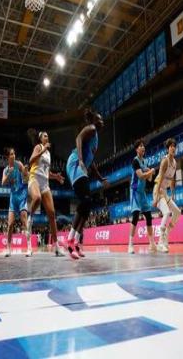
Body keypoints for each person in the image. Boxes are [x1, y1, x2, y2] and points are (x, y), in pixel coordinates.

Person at [66, 109, 108, 260]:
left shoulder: (96, 138)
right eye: (99, 119)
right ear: (93, 121)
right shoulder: (91, 128)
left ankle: (76, 242)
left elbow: (92, 162)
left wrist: (101, 178)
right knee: (85, 201)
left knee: (87, 205)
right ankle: (70, 242)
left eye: (102, 120)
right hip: (75, 163)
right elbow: (78, 138)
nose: (101, 122)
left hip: (82, 165)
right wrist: (80, 160)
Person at [27, 129, 65, 257]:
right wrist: (42, 150)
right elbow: (31, 161)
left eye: (48, 136)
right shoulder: (38, 147)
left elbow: (47, 171)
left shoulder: (48, 153)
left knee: (52, 214)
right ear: (40, 138)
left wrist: (56, 177)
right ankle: (30, 216)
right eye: (45, 136)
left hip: (44, 183)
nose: (47, 137)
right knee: (37, 198)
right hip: (34, 178)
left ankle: (57, 247)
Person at [153, 138, 181, 253]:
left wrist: (172, 194)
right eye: (171, 146)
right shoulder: (165, 161)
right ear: (168, 149)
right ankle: (160, 242)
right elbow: (160, 179)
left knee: (177, 212)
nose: (173, 148)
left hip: (165, 192)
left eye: (174, 146)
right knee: (166, 212)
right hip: (158, 189)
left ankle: (167, 233)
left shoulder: (175, 163)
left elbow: (172, 179)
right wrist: (156, 198)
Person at [128, 139, 156, 254]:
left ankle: (152, 243)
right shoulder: (135, 161)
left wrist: (150, 173)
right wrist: (151, 171)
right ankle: (130, 244)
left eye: (143, 146)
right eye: (140, 146)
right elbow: (140, 176)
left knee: (149, 216)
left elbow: (149, 179)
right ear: (136, 149)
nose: (143, 147)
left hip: (142, 192)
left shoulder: (145, 161)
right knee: (135, 216)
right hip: (135, 191)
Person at [2, 147, 30, 257]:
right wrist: (9, 175)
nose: (13, 156)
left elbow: (26, 176)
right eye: (11, 154)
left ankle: (29, 248)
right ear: (7, 157)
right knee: (10, 225)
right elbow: (3, 183)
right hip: (13, 199)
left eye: (14, 154)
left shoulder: (18, 164)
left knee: (24, 221)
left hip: (22, 195)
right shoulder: (6, 170)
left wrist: (25, 171)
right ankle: (8, 248)